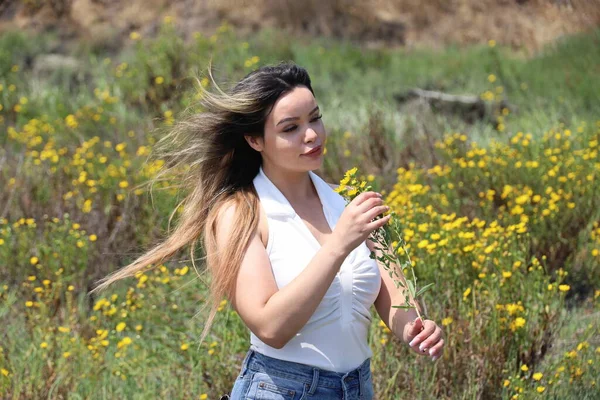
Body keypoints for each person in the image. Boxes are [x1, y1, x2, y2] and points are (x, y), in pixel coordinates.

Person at [91, 62, 445, 400]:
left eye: (316, 119)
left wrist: (416, 329)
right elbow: (270, 328)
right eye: (290, 128)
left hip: (357, 387)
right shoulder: (240, 214)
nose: (311, 135)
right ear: (255, 140)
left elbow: (394, 296)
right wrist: (338, 245)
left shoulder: (349, 204)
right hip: (282, 389)